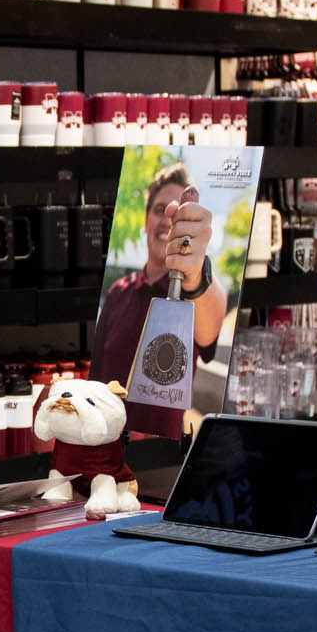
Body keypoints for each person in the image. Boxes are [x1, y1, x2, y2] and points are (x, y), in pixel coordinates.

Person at [89, 159, 219, 439]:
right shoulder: (118, 292)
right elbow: (95, 376)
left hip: (162, 462)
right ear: (147, 220)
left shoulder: (194, 295)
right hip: (105, 452)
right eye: (161, 210)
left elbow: (211, 326)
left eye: (180, 215)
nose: (168, 222)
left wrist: (194, 276)